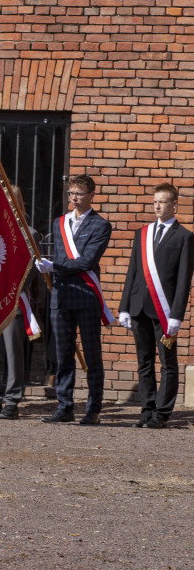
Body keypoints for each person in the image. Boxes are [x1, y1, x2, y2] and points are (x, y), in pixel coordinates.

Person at [35, 174, 113, 425]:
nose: (74, 198)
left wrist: (54, 266)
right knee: (63, 354)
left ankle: (93, 409)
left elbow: (87, 261)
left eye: (79, 193)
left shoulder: (100, 225)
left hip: (86, 295)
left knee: (92, 354)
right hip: (61, 295)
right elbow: (55, 255)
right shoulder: (59, 223)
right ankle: (65, 405)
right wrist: (44, 265)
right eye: (71, 193)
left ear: (92, 195)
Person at [118, 183, 194, 429]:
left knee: (168, 363)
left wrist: (177, 315)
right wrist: (124, 307)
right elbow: (132, 272)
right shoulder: (143, 234)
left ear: (174, 204)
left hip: (165, 311)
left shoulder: (185, 237)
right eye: (155, 202)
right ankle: (147, 408)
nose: (157, 206)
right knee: (144, 360)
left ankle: (162, 413)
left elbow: (184, 280)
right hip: (139, 306)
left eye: (162, 201)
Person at [0, 186, 44, 421]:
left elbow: (28, 270)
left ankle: (12, 400)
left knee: (13, 352)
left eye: (10, 199)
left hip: (14, 300)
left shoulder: (31, 233)